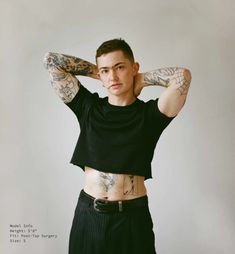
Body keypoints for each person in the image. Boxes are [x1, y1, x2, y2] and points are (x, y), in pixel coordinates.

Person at [43, 38, 192, 254]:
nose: (112, 76)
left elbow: (183, 76)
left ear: (134, 67)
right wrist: (99, 73)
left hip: (132, 218)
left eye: (119, 67)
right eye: (105, 71)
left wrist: (141, 80)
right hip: (89, 216)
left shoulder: (149, 116)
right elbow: (51, 60)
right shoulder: (88, 108)